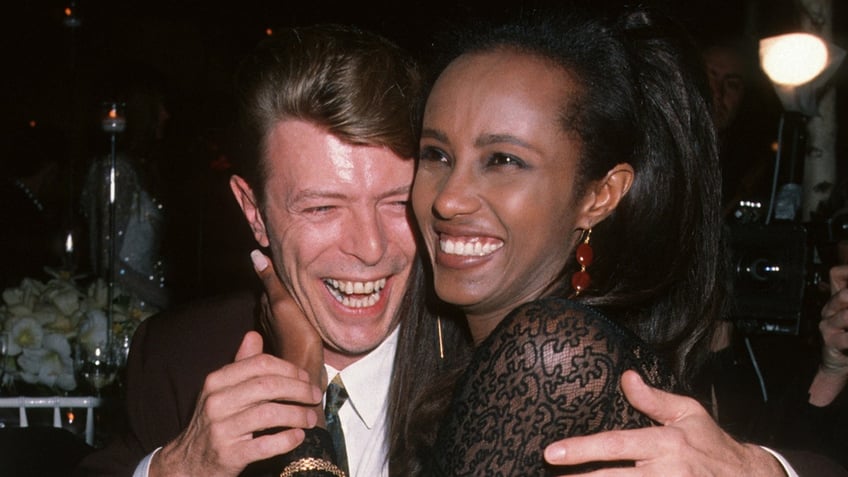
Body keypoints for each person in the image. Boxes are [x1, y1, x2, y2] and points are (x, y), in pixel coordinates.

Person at [74, 19, 838, 477]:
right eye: (321, 205)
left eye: (388, 195)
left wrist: (759, 468)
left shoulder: (536, 354)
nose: (371, 246)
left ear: (599, 194)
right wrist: (174, 469)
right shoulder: (185, 356)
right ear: (252, 210)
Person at [404, 6, 721, 475]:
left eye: (504, 161)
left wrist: (304, 422)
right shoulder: (555, 346)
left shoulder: (551, 353)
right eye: (436, 154)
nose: (449, 199)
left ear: (599, 195)